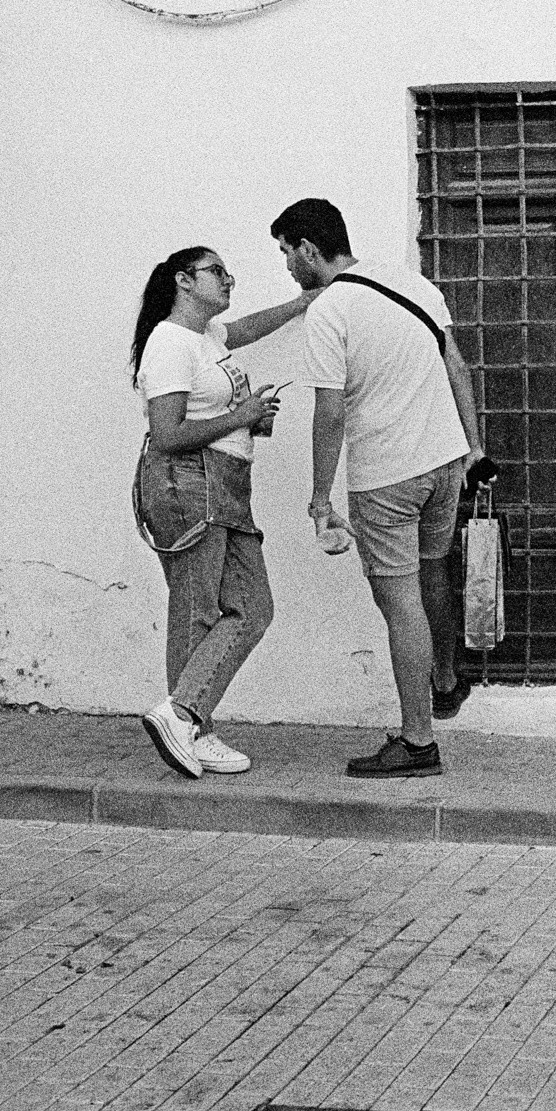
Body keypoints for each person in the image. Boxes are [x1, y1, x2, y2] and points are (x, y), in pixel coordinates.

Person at [271, 198, 496, 779]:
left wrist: (320, 499)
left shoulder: (329, 311)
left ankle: (417, 743)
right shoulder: (412, 284)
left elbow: (330, 412)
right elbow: (456, 366)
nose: (288, 268)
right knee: (432, 573)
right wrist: (473, 448)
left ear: (310, 249)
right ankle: (445, 683)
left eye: (287, 254)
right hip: (444, 463)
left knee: (400, 606)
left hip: (387, 481)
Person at [130, 246, 317, 778]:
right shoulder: (168, 343)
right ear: (184, 281)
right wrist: (243, 414)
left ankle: (184, 716)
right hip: (188, 484)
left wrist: (305, 300)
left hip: (226, 485)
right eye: (217, 272)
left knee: (252, 607)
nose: (229, 279)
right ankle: (191, 726)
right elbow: (166, 435)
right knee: (197, 611)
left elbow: (250, 327)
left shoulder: (206, 338)